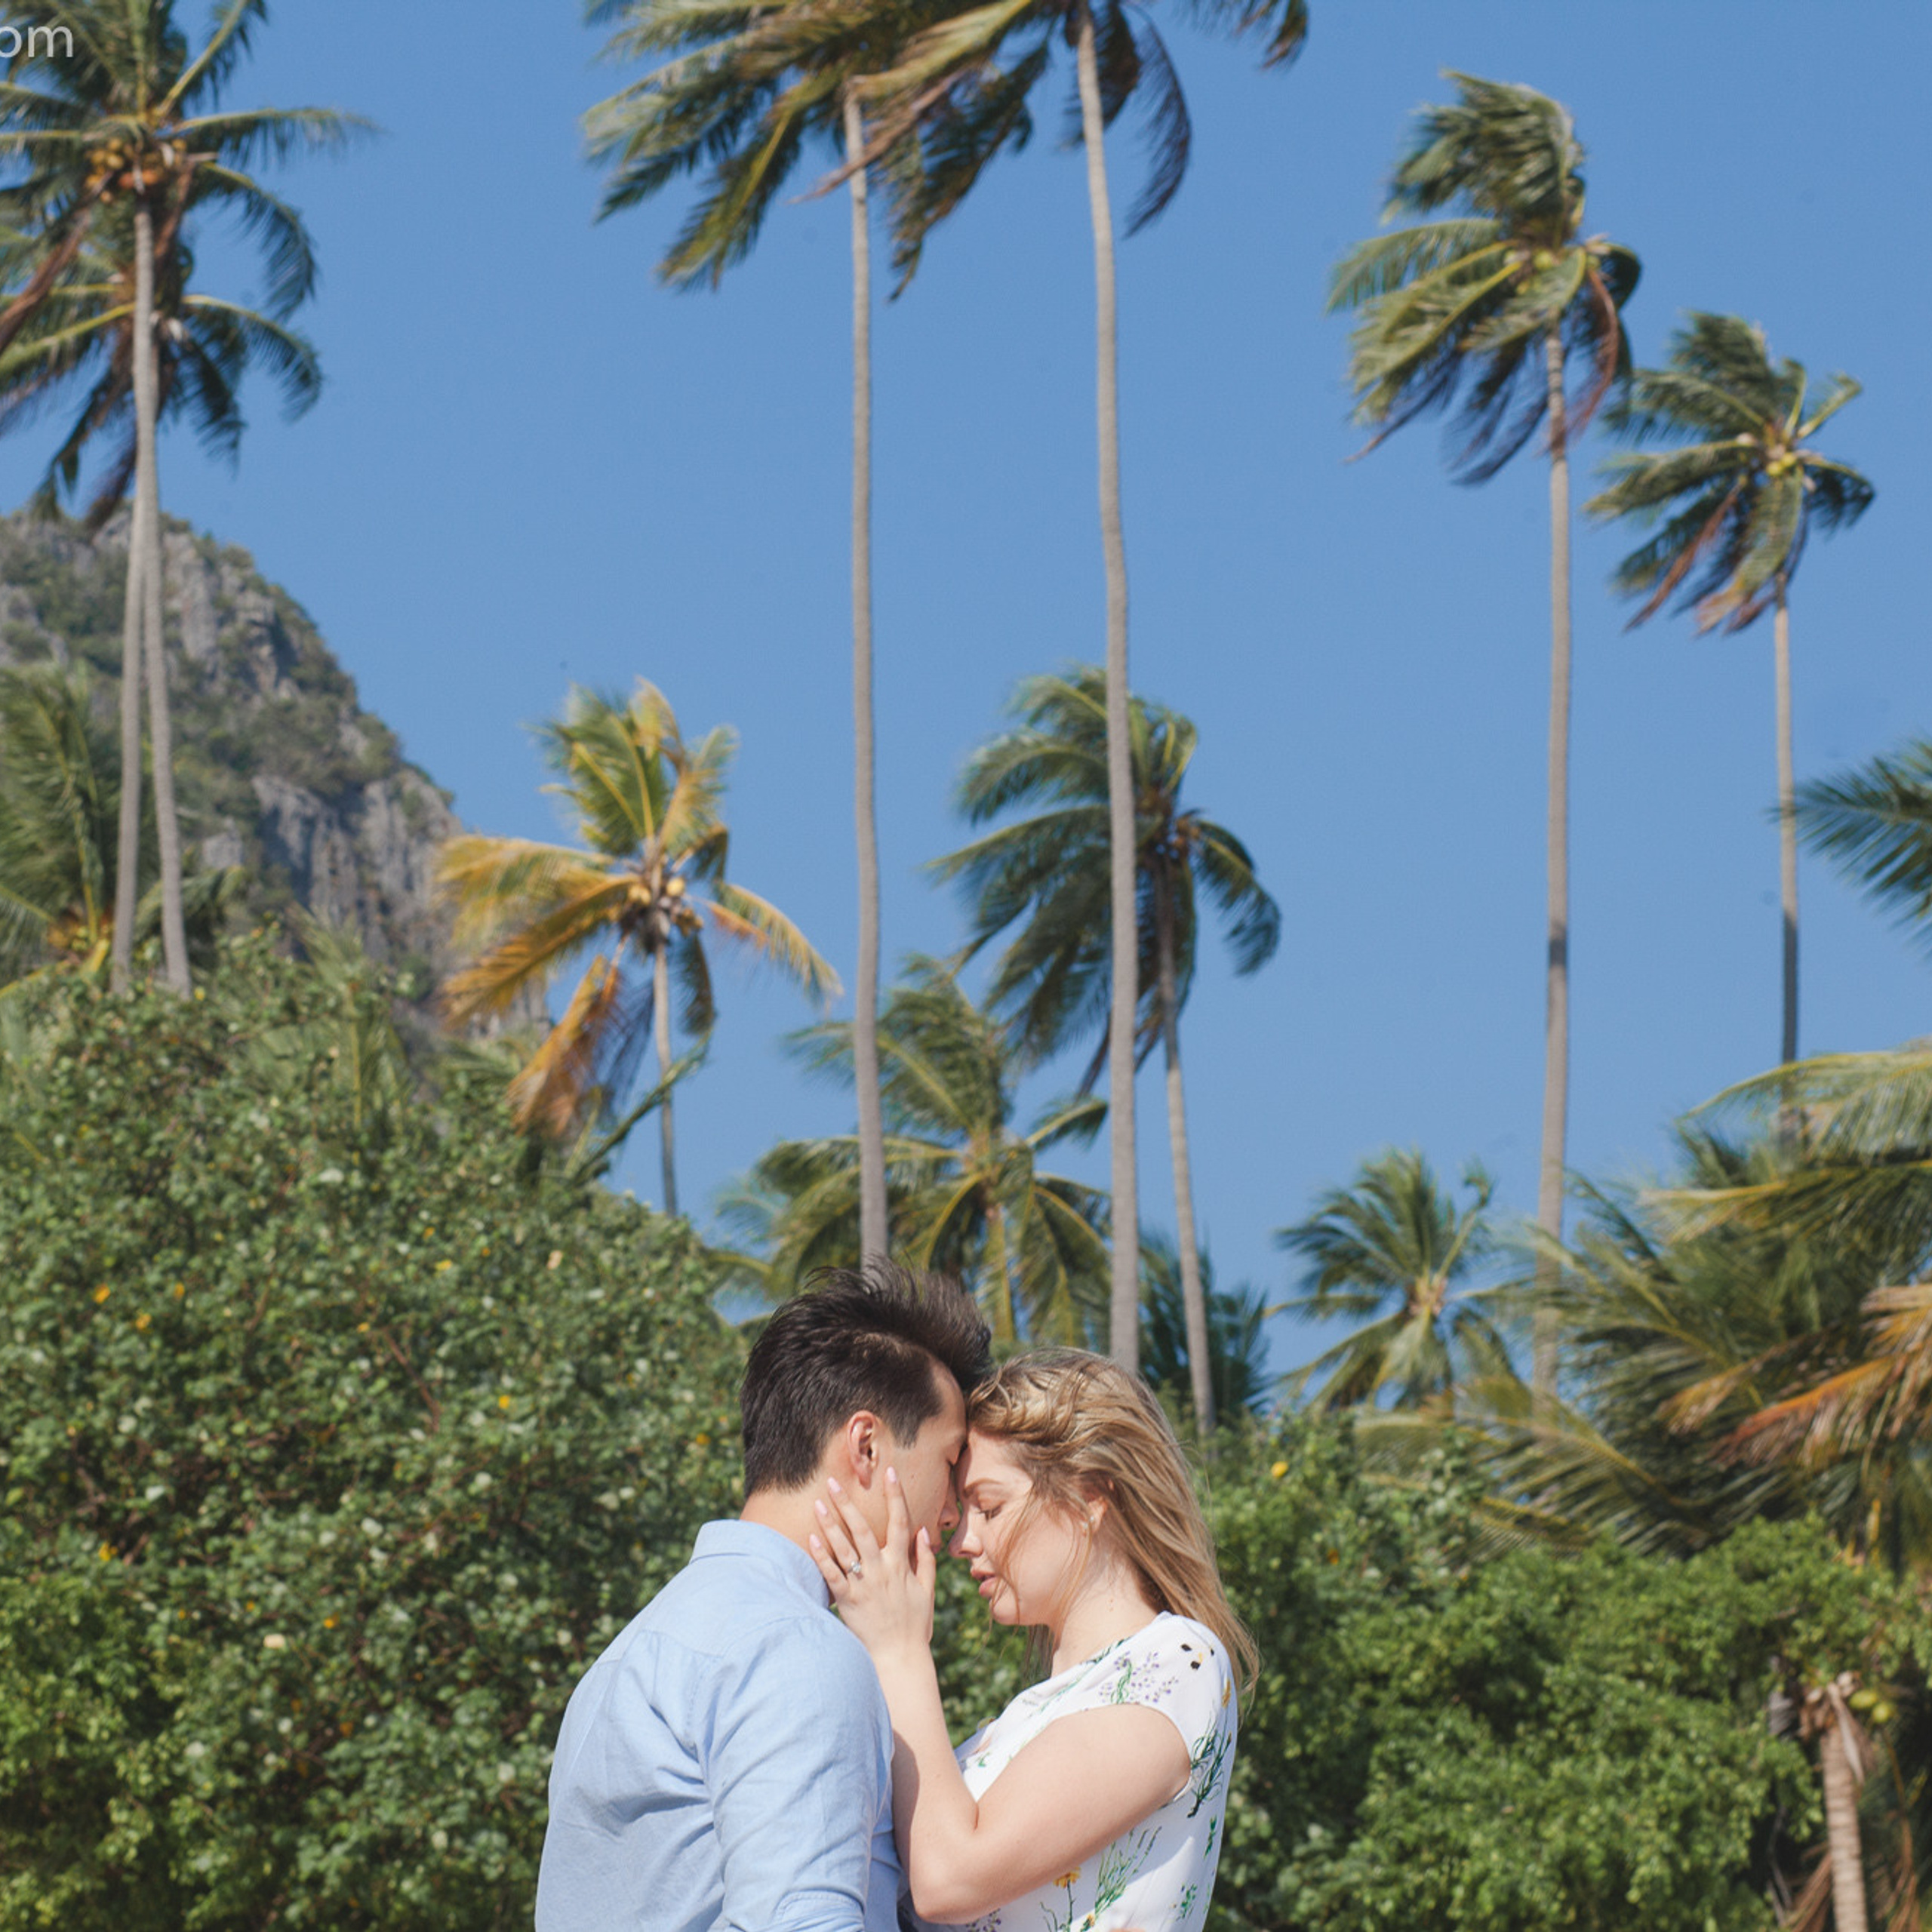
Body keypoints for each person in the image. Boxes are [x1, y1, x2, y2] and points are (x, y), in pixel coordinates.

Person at [534, 1262, 992, 1932]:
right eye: (952, 1463)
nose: (954, 1514)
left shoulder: (632, 1651)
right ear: (865, 1446)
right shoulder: (793, 1649)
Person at [810, 1349, 1256, 1932]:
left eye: (989, 1507)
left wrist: (899, 1651)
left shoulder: (1178, 1664)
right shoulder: (1031, 1717)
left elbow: (949, 1878)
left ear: (1090, 1496)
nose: (963, 1538)